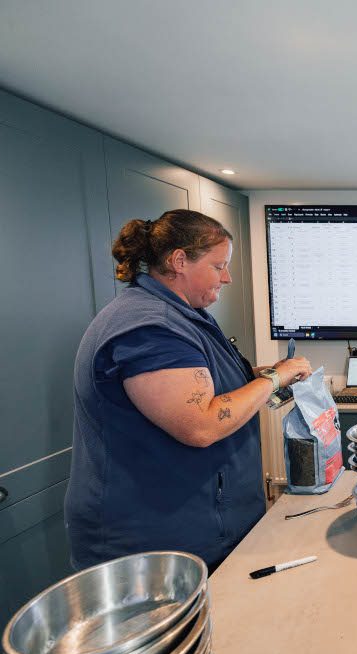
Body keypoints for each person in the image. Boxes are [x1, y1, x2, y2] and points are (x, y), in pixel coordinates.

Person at [66, 209, 312, 572]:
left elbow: (209, 382)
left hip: (196, 530)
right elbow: (201, 424)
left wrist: (270, 373)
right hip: (155, 548)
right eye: (218, 266)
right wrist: (274, 380)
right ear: (179, 260)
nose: (227, 278)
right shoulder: (150, 328)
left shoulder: (181, 315)